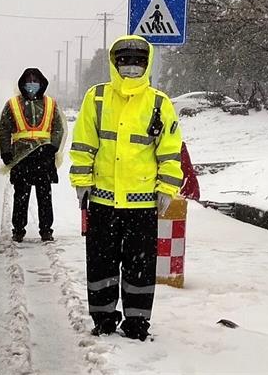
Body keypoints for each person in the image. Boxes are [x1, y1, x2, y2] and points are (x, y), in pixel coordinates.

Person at [69, 35, 183, 341]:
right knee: (101, 264)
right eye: (125, 63)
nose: (131, 69)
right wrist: (82, 183)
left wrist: (167, 188)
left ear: (146, 65)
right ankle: (103, 318)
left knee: (140, 269)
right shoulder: (97, 98)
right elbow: (83, 144)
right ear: (114, 63)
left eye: (137, 63)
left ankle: (137, 322)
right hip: (103, 202)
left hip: (142, 205)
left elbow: (170, 151)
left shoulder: (159, 102)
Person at [0, 68, 67, 242]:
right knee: (21, 195)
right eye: (28, 81)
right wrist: (5, 151)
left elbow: (58, 127)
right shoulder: (13, 104)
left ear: (41, 83)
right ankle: (18, 230)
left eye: (35, 81)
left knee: (44, 196)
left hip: (44, 156)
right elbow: (5, 129)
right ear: (22, 84)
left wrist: (54, 146)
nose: (32, 85)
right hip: (21, 157)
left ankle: (46, 230)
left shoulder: (51, 104)